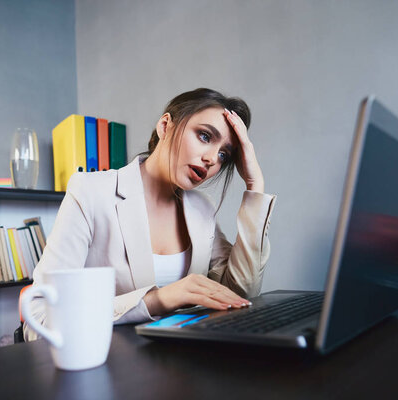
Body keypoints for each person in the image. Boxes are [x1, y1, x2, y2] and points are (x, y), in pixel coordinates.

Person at [24, 88, 276, 341]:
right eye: (204, 136)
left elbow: (242, 293)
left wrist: (255, 186)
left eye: (224, 154)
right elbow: (39, 316)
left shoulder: (203, 208)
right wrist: (158, 299)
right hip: (108, 361)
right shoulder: (90, 191)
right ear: (166, 126)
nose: (212, 159)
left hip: (181, 364)